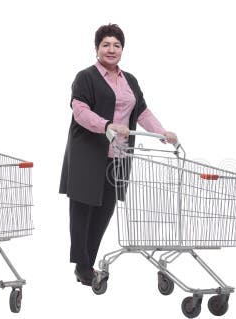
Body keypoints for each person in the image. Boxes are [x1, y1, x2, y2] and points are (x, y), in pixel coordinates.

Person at [59, 23, 178, 286]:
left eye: (116, 45)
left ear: (122, 49)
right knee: (83, 207)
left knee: (105, 209)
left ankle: (87, 263)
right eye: (106, 45)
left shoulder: (130, 80)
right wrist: (106, 126)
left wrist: (162, 132)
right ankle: (82, 265)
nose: (111, 49)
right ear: (97, 48)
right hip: (88, 152)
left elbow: (142, 112)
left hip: (120, 155)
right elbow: (80, 111)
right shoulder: (85, 77)